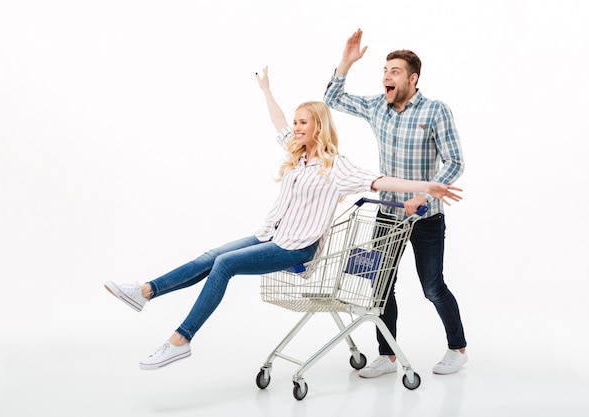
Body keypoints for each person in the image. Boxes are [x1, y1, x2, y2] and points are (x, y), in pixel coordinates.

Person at [104, 66, 462, 371]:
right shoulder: (297, 154)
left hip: (296, 248)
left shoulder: (335, 166)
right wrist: (266, 90)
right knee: (209, 257)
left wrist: (427, 186)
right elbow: (277, 122)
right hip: (269, 237)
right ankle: (146, 291)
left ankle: (181, 339)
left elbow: (379, 181)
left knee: (225, 265)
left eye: (303, 122)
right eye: (295, 122)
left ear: (318, 127)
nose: (295, 127)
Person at [324, 29, 468, 377]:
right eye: (385, 70)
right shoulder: (377, 106)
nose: (387, 76)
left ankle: (457, 349)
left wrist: (423, 195)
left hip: (426, 218)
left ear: (412, 78)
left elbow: (455, 162)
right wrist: (346, 62)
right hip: (388, 214)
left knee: (433, 286)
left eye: (395, 71)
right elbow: (332, 98)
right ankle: (387, 355)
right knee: (380, 283)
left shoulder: (435, 111)